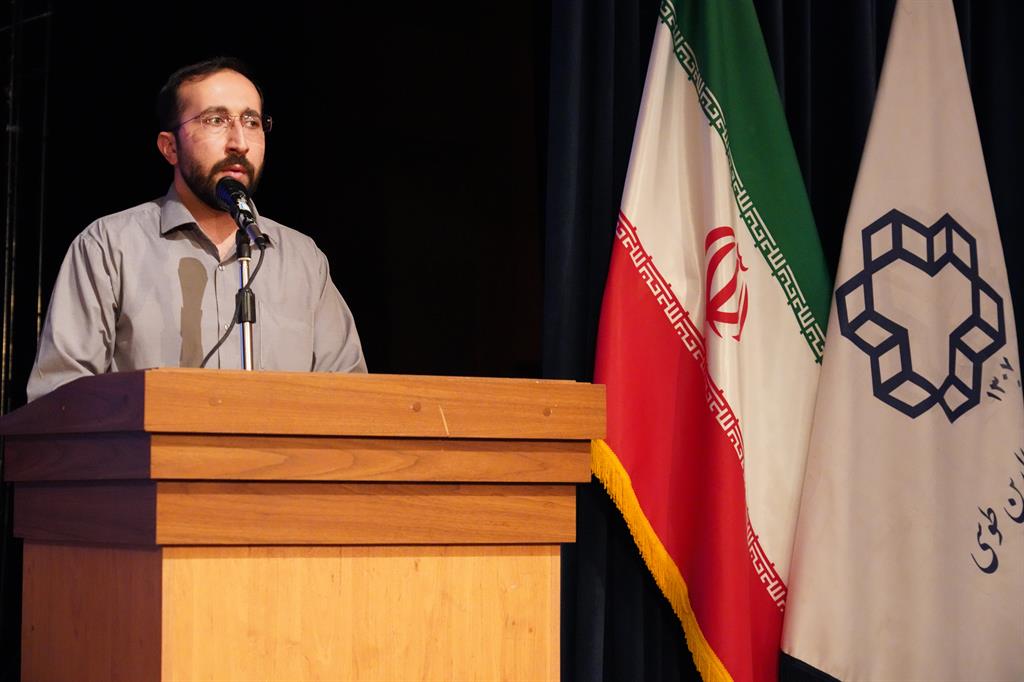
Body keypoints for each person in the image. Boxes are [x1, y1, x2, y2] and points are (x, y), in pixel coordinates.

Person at [26, 57, 366, 401]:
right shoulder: (109, 247)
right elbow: (59, 399)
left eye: (251, 122)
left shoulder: (303, 259)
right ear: (170, 147)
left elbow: (352, 399)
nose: (239, 142)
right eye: (216, 120)